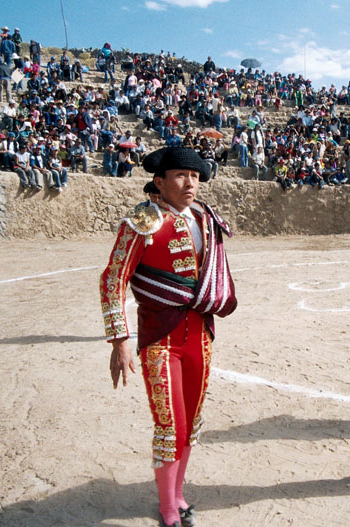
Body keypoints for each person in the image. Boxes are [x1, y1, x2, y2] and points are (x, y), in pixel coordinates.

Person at [100, 147, 237, 527]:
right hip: (160, 339)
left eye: (194, 176)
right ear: (159, 182)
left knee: (191, 420)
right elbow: (113, 280)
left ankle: (177, 494)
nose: (190, 183)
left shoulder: (205, 219)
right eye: (180, 175)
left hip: (200, 337)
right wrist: (120, 340)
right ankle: (166, 507)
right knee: (169, 423)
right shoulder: (141, 221)